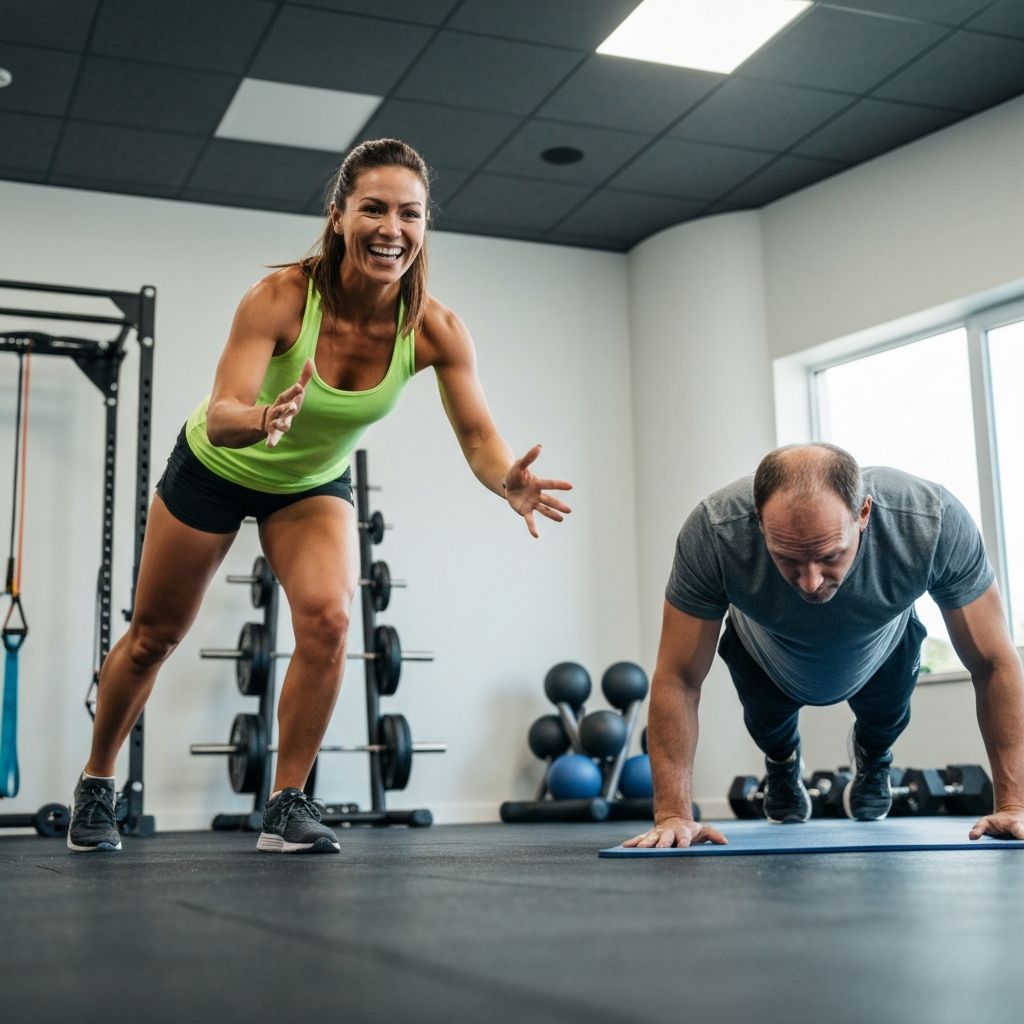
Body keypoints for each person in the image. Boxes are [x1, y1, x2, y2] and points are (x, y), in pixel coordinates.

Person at [67, 138, 573, 855]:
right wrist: (264, 417)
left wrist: (507, 481)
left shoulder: (434, 328)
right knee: (154, 636)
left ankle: (285, 804)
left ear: (425, 226)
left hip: (308, 484)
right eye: (372, 208)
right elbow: (220, 412)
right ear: (338, 216)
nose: (390, 229)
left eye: (409, 213)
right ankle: (95, 784)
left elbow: (479, 439)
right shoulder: (278, 298)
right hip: (217, 466)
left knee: (332, 620)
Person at [625, 442, 1024, 850]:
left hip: (882, 648)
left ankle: (875, 758)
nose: (811, 582)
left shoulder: (929, 522)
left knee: (886, 717)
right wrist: (673, 814)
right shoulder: (715, 532)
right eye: (788, 559)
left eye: (830, 555)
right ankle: (781, 764)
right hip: (764, 654)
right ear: (759, 523)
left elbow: (993, 661)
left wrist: (1016, 805)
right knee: (768, 726)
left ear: (864, 514)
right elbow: (678, 677)